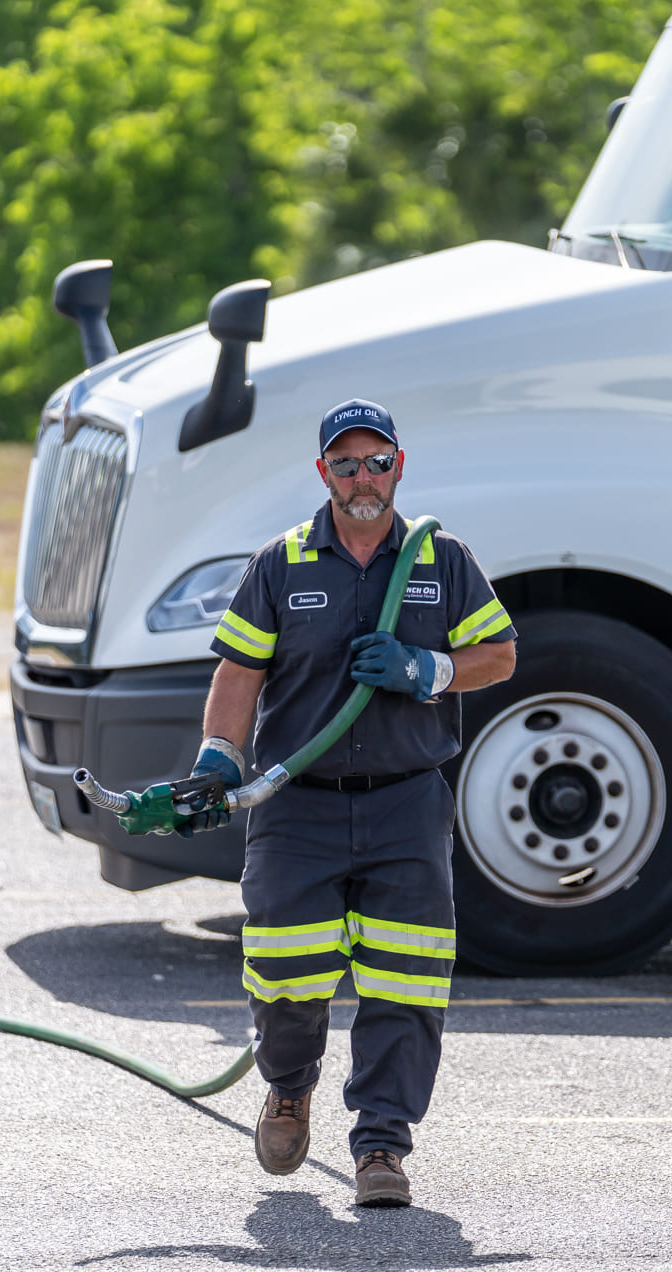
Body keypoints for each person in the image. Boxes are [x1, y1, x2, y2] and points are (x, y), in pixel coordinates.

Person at [184, 397, 516, 1207]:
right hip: (300, 803)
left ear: (399, 466)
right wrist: (220, 759)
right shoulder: (283, 562)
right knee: (286, 972)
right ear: (323, 472)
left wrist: (428, 668)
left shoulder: (443, 560)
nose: (362, 478)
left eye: (376, 462)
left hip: (407, 801)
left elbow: (500, 655)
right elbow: (239, 673)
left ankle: (381, 1148)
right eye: (345, 463)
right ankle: (288, 1087)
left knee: (405, 982)